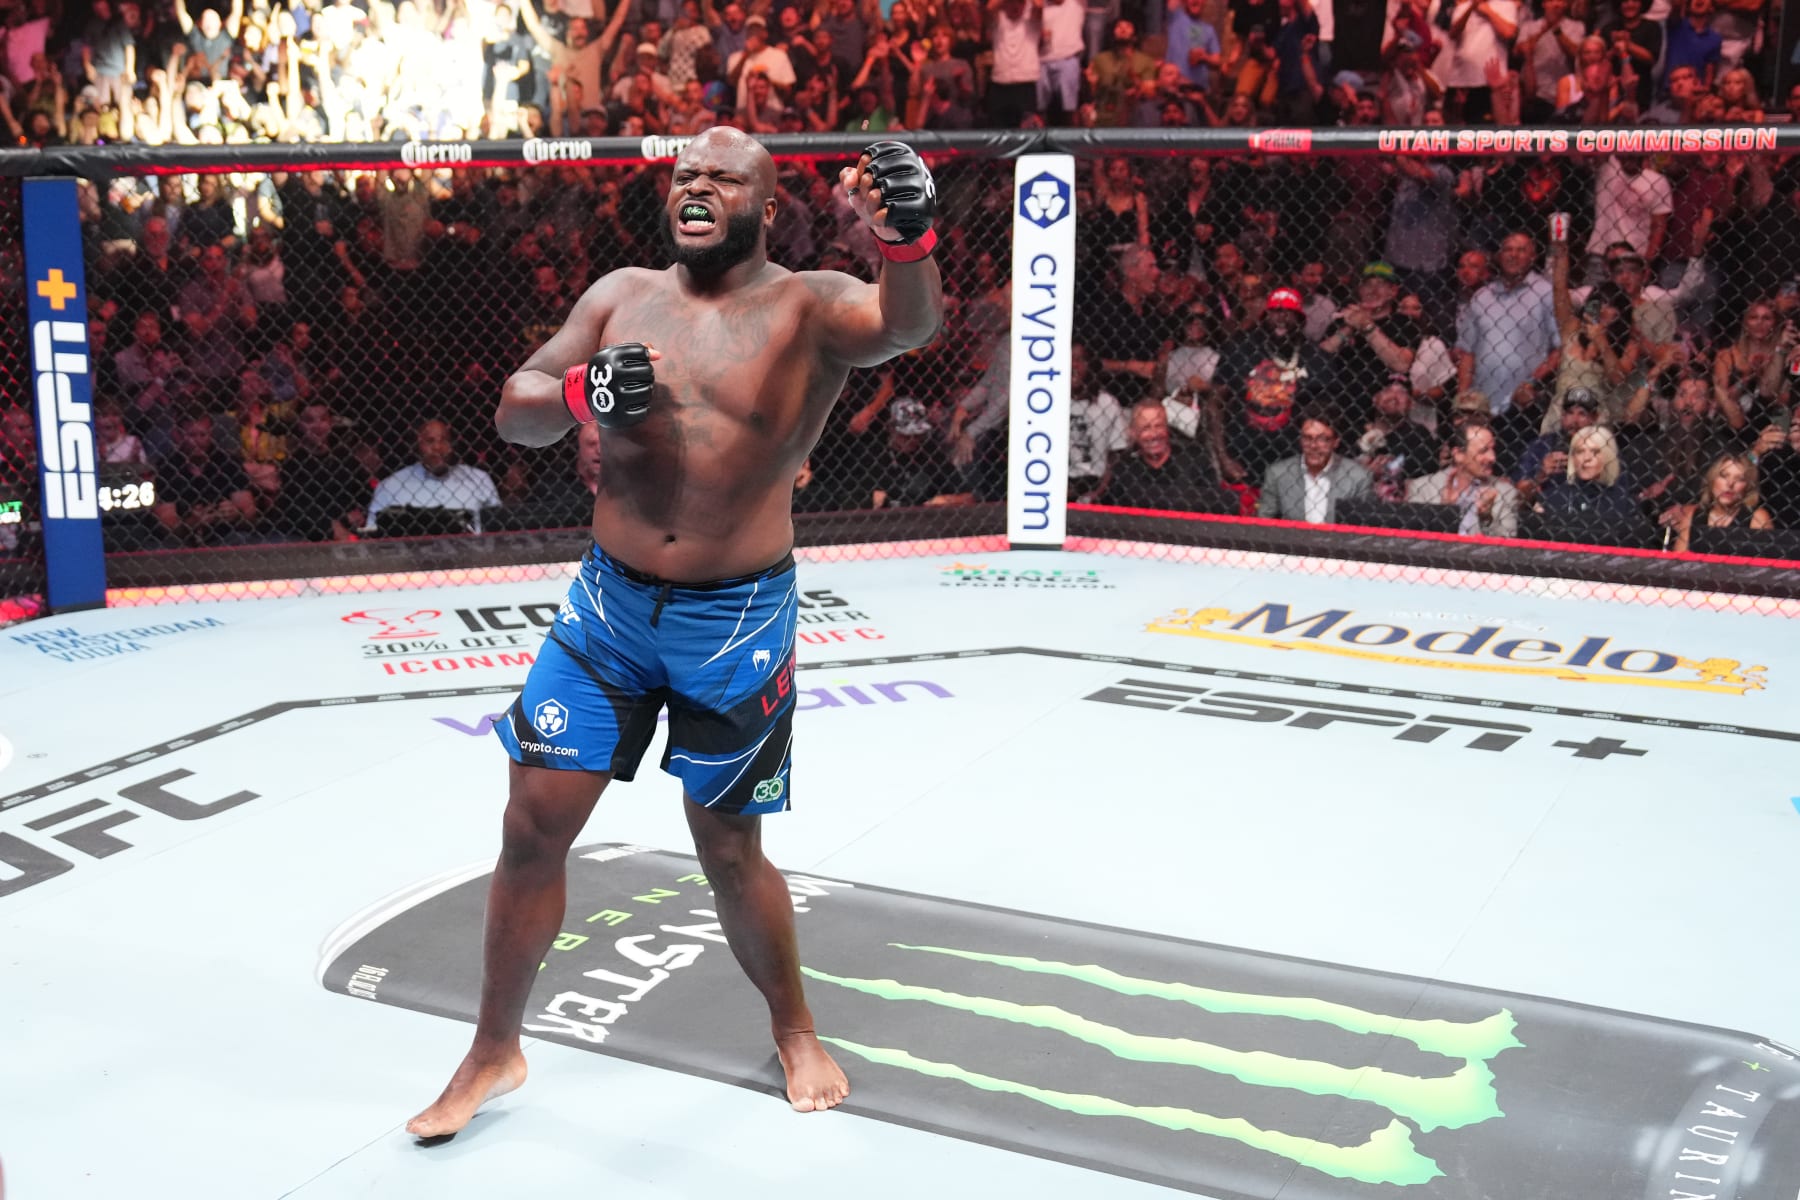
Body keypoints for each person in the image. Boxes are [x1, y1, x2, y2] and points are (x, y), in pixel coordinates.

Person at [405, 130, 943, 1138]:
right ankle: (493, 1049)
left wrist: (903, 240)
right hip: (606, 610)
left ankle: (792, 1026)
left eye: (722, 177)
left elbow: (902, 327)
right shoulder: (620, 295)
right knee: (529, 825)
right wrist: (582, 393)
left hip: (731, 617)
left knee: (729, 848)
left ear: (767, 206)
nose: (697, 187)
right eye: (685, 174)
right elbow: (516, 410)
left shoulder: (809, 303)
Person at [368, 418, 502, 534]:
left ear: (452, 445)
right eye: (430, 441)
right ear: (417, 446)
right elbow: (372, 533)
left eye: (444, 440)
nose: (438, 447)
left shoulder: (479, 480)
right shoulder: (391, 486)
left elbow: (499, 529)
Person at [1256, 408, 1373, 522]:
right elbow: (1264, 521)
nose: (1313, 446)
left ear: (1335, 442)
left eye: (1322, 439)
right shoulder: (1278, 473)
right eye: (1307, 438)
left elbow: (1362, 527)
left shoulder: (1358, 477)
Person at [1407, 422, 1520, 536]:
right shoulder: (1423, 488)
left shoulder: (1506, 492)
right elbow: (1413, 539)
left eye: (1492, 450)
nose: (1492, 458)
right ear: (1459, 455)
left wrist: (1486, 519)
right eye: (1483, 451)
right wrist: (1444, 511)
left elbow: (1507, 545)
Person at [1535, 425, 1639, 525]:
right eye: (1580, 451)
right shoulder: (1551, 499)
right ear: (1573, 458)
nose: (1586, 458)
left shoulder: (1625, 503)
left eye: (1595, 452)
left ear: (1608, 456)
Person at [1670, 451, 1772, 551]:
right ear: (1712, 479)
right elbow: (1679, 560)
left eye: (1739, 479)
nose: (1730, 484)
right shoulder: (1693, 514)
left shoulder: (1757, 517)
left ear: (1748, 486)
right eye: (1724, 476)